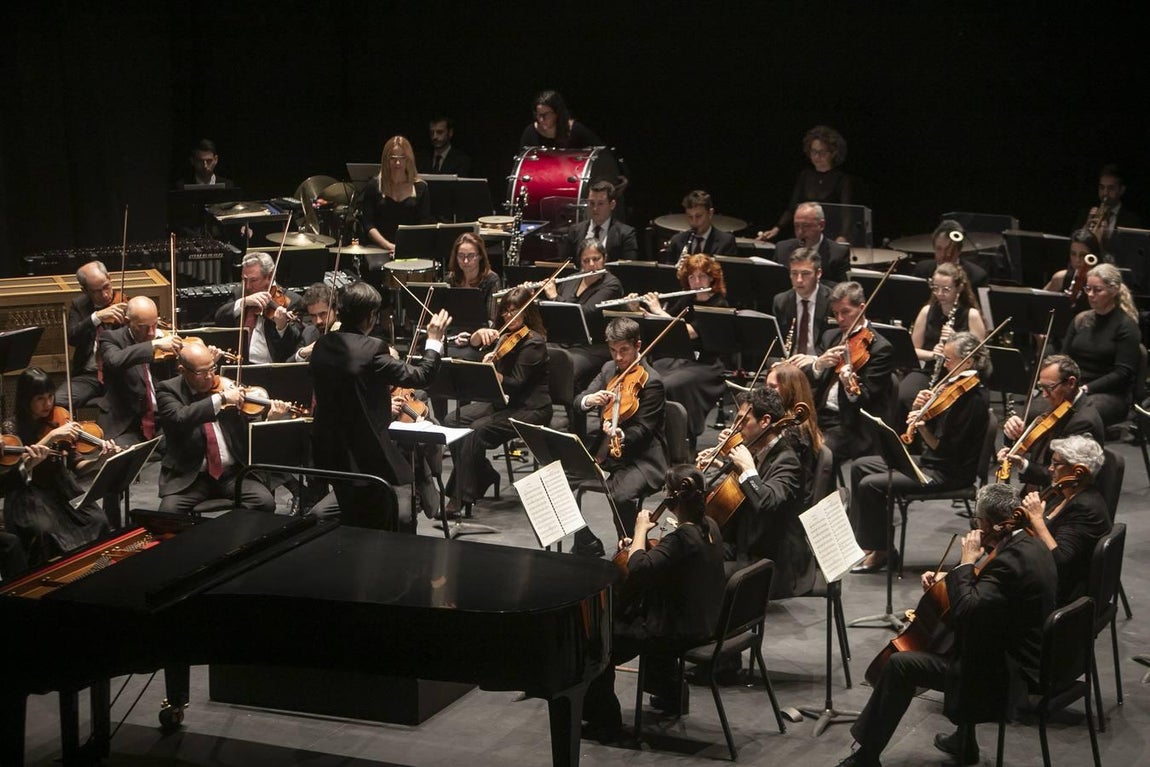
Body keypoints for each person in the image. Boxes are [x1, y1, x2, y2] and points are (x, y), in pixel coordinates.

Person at [836, 483, 1057, 767]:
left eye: (978, 520)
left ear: (991, 523)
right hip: (1023, 652)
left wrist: (965, 563)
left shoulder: (1011, 560)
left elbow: (967, 611)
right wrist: (947, 580)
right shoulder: (1029, 542)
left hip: (1005, 674)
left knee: (900, 665)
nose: (976, 526)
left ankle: (865, 757)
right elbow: (990, 592)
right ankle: (965, 741)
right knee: (960, 639)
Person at [581, 465, 726, 742]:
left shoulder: (682, 537)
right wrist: (642, 544)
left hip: (677, 630)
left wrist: (638, 533)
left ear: (672, 500)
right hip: (706, 620)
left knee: (599, 642)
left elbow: (638, 569)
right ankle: (672, 695)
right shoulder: (710, 527)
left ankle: (604, 721)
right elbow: (664, 561)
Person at [309, 282, 450, 530]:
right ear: (370, 317)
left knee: (352, 520)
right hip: (368, 459)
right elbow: (422, 376)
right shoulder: (372, 349)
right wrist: (434, 341)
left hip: (333, 456)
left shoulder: (322, 346)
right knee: (379, 524)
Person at [850, 332, 990, 573]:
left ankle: (882, 552)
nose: (944, 364)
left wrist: (923, 426)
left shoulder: (973, 400)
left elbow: (944, 448)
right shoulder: (952, 388)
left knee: (869, 485)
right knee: (860, 466)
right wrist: (920, 407)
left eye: (948, 359)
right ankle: (871, 544)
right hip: (931, 462)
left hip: (947, 472)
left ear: (967, 362)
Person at [696, 386, 809, 597]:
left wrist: (747, 468)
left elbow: (766, 503)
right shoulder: (758, 449)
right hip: (744, 543)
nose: (736, 428)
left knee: (701, 573)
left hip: (769, 561)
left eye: (743, 421)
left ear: (765, 421)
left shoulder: (788, 462)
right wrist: (721, 465)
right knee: (691, 553)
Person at [445, 288, 551, 512]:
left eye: (515, 311)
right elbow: (475, 351)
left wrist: (492, 371)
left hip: (530, 408)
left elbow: (516, 382)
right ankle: (483, 473)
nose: (508, 316)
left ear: (527, 313)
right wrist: (479, 343)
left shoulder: (534, 342)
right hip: (503, 403)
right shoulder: (503, 336)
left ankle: (461, 496)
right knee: (452, 420)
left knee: (476, 430)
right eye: (505, 311)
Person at [155, 343, 291, 514]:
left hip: (231, 475)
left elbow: (249, 429)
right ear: (183, 371)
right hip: (192, 477)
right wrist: (221, 399)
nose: (210, 376)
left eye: (212, 368)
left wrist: (270, 419)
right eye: (201, 372)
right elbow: (180, 417)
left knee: (265, 503)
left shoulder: (227, 386)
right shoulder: (167, 390)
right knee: (167, 514)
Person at [1, 368, 114, 570]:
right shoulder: (11, 428)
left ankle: (94, 569)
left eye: (51, 396)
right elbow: (13, 476)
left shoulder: (60, 419)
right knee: (46, 534)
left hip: (61, 489)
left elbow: (78, 466)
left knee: (98, 520)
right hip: (28, 496)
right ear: (26, 400)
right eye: (40, 399)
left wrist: (100, 460)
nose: (48, 404)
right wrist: (51, 437)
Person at [573, 317, 668, 556]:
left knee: (621, 496)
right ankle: (586, 542)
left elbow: (643, 430)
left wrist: (620, 434)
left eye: (623, 350)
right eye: (613, 350)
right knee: (559, 481)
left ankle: (629, 550)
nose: (618, 358)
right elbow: (579, 399)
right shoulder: (608, 369)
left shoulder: (652, 382)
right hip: (605, 453)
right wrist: (589, 400)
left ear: (638, 345)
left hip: (642, 459)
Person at [629, 254, 728, 442]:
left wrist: (658, 310)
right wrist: (637, 309)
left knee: (669, 384)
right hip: (681, 359)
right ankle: (648, 430)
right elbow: (663, 322)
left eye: (702, 276)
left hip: (706, 365)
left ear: (712, 278)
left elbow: (689, 331)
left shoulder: (718, 304)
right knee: (647, 377)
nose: (697, 282)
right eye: (692, 277)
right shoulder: (688, 299)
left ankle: (678, 436)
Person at [791, 281, 895, 461]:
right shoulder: (831, 336)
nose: (840, 319)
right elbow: (810, 383)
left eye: (845, 312)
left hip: (850, 425)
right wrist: (818, 364)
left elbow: (867, 400)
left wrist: (850, 387)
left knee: (816, 451)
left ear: (862, 308)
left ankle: (820, 489)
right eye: (836, 313)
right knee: (781, 439)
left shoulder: (880, 348)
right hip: (819, 415)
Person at [1018, 434, 1111, 605]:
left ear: (1077, 470)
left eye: (1056, 464)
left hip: (1059, 594)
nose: (1050, 469)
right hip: (1044, 576)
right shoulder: (1066, 492)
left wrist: (1037, 520)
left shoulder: (1085, 508)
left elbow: (1060, 562)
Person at [896, 262, 988, 421]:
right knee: (904, 394)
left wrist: (956, 339)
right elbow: (913, 350)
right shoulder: (927, 311)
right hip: (931, 370)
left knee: (943, 405)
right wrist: (933, 354)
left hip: (959, 376)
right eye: (935, 288)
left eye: (946, 289)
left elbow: (981, 357)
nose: (940, 293)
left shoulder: (971, 315)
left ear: (958, 288)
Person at [997, 354, 1105, 488]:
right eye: (1041, 387)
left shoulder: (1083, 422)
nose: (1044, 394)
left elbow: (1062, 477)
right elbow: (1031, 447)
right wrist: (1012, 434)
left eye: (1050, 387)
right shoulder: (1060, 404)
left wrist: (1023, 464)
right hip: (1038, 487)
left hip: (1061, 495)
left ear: (1071, 383)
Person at [1062, 262, 1141, 427]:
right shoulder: (1080, 319)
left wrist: (1086, 388)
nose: (1090, 295)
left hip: (1110, 394)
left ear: (1113, 291)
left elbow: (1122, 373)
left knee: (1079, 416)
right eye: (1088, 289)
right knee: (1035, 412)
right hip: (1075, 387)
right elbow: (1064, 358)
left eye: (1097, 290)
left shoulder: (1126, 326)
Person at [541, 240, 625, 389]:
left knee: (565, 365)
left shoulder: (612, 285)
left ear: (604, 258)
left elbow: (585, 312)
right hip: (564, 340)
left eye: (596, 259)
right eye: (586, 261)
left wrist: (554, 297)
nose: (592, 264)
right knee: (532, 353)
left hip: (593, 345)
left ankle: (573, 407)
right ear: (580, 262)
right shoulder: (571, 280)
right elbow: (552, 314)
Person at [759, 125, 856, 243]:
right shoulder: (805, 176)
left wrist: (843, 236)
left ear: (833, 153)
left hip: (829, 238)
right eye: (813, 151)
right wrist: (777, 227)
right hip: (805, 236)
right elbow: (792, 208)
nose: (816, 156)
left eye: (822, 152)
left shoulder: (842, 179)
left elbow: (846, 213)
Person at [56, 261, 128, 410]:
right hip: (89, 376)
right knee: (57, 401)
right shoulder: (79, 305)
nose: (105, 295)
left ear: (110, 278)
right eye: (96, 291)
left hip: (120, 376)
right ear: (85, 290)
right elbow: (72, 338)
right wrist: (96, 317)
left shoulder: (125, 303)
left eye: (106, 287)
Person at [213, 253, 303, 364]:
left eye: (253, 280)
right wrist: (243, 302)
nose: (248, 286)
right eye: (244, 280)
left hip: (270, 369)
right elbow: (219, 317)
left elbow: (294, 344)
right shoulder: (240, 293)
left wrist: (282, 327)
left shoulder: (292, 301)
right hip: (238, 363)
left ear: (270, 276)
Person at [359, 135, 432, 255]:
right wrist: (388, 246)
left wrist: (405, 248)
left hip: (411, 249)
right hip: (379, 249)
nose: (397, 163)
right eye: (393, 158)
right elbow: (368, 224)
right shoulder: (374, 186)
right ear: (386, 160)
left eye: (402, 158)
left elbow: (423, 224)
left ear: (408, 159)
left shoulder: (420, 188)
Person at [766, 361, 825, 507]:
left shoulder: (794, 432)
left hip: (787, 505)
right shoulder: (785, 421)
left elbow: (774, 477)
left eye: (772, 387)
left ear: (789, 390)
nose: (766, 392)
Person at [773, 246, 833, 358]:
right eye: (794, 273)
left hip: (819, 363)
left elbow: (835, 345)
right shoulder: (781, 301)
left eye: (805, 274)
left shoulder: (832, 301)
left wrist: (815, 362)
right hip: (790, 364)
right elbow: (775, 346)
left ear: (818, 273)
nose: (799, 280)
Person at [558, 180, 638, 264]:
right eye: (592, 203)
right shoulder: (574, 231)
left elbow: (628, 270)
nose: (595, 209)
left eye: (600, 204)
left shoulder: (626, 234)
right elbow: (566, 267)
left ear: (612, 205)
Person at [770, 202, 850, 284]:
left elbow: (841, 291)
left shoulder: (839, 253)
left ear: (821, 225)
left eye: (806, 225)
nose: (800, 232)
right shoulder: (782, 249)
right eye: (796, 226)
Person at [658, 190, 738, 265]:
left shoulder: (726, 242)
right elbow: (667, 276)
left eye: (698, 216)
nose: (694, 222)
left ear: (710, 213)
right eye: (690, 217)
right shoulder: (677, 241)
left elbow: (728, 276)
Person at [1076, 163, 1142, 247]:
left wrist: (1105, 240)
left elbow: (1131, 249)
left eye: (1111, 188)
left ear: (1121, 190)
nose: (1105, 193)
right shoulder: (1085, 213)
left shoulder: (1132, 220)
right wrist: (1085, 229)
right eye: (1102, 187)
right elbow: (1073, 242)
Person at [912, 219, 989, 289]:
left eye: (949, 249)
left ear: (959, 250)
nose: (943, 255)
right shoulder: (921, 270)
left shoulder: (977, 276)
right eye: (939, 249)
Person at [445, 231, 502, 323]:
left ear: (480, 256)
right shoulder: (450, 279)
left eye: (471, 256)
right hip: (455, 332)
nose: (466, 261)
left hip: (482, 333)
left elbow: (492, 320)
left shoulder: (492, 280)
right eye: (461, 256)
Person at [519, 89, 603, 149]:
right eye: (539, 115)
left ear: (557, 113)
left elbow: (601, 152)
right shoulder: (530, 132)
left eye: (546, 114)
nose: (541, 119)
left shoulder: (575, 129)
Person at [1043, 228, 1107, 295]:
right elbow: (1040, 301)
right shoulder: (1060, 278)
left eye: (1083, 255)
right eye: (1073, 254)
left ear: (1093, 256)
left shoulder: (1105, 282)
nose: (1077, 260)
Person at [290, 282, 337, 363]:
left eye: (323, 314)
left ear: (335, 310)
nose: (318, 321)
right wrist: (302, 354)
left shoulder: (347, 333)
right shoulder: (309, 333)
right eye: (313, 316)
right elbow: (286, 368)